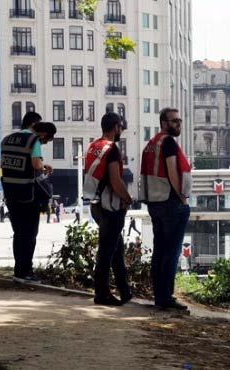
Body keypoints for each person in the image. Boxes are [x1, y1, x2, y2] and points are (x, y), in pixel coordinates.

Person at [139, 107, 192, 311]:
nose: (178, 124)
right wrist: (182, 198)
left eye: (179, 121)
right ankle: (166, 297)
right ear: (163, 123)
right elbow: (172, 171)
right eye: (173, 121)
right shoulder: (168, 142)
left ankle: (159, 296)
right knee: (171, 251)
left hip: (155, 202)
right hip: (170, 202)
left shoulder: (151, 144)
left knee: (160, 250)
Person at [84, 112, 133, 306]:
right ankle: (101, 294)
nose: (121, 130)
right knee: (106, 252)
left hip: (96, 205)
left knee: (115, 248)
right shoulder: (112, 149)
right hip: (110, 206)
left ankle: (125, 290)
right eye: (120, 126)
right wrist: (127, 198)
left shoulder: (94, 146)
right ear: (115, 127)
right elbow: (115, 180)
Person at [0, 112, 55, 283]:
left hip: (10, 193)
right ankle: (26, 272)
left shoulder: (6, 139)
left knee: (18, 233)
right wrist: (44, 166)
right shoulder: (33, 140)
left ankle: (18, 271)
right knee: (30, 234)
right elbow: (36, 164)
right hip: (28, 194)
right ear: (35, 125)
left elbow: (5, 164)